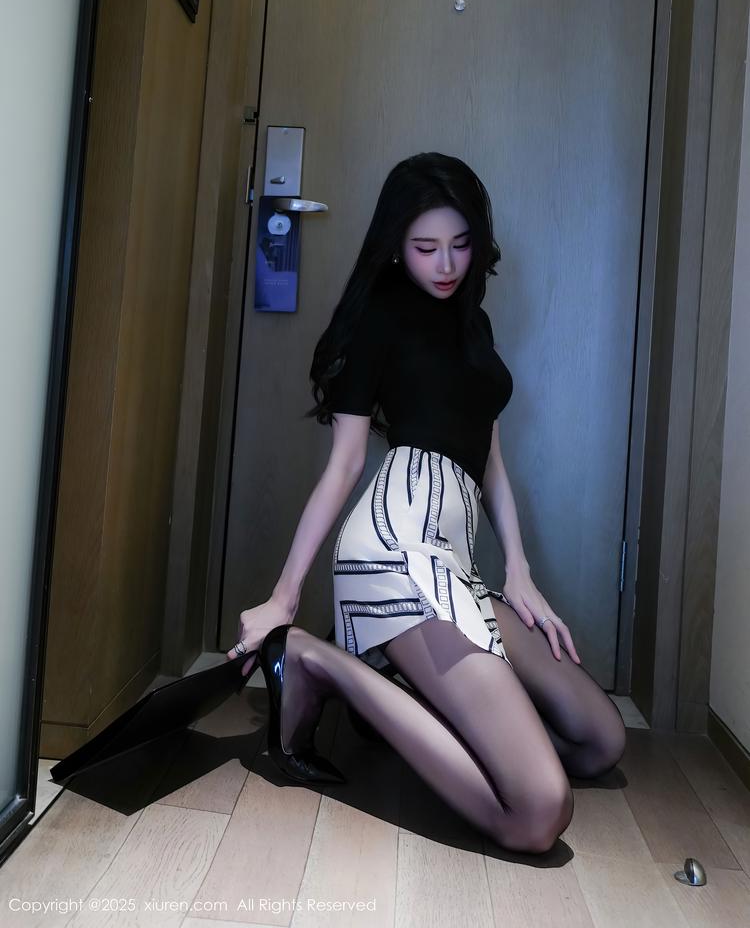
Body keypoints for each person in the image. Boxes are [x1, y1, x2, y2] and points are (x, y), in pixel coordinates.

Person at [226, 152, 626, 854]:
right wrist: (284, 597)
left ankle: (401, 700)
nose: (445, 265)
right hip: (392, 555)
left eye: (461, 245)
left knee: (600, 741)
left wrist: (520, 572)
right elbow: (345, 464)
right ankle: (317, 660)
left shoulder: (475, 324)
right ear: (395, 244)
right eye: (425, 247)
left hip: (456, 565)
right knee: (538, 813)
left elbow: (488, 458)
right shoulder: (378, 315)